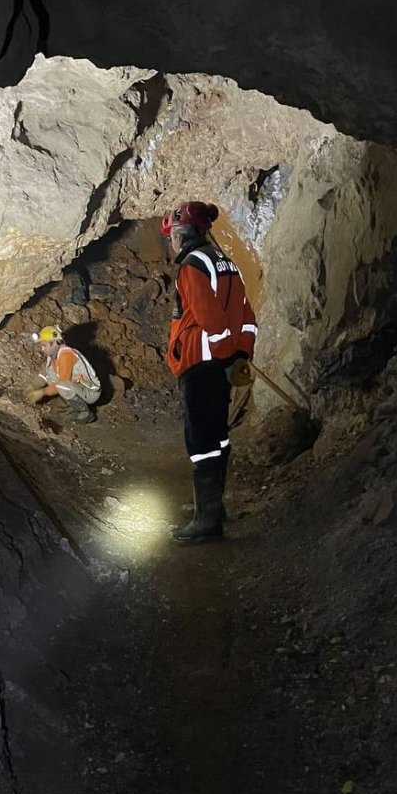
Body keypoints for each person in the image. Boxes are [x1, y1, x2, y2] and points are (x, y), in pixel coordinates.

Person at [161, 201, 257, 543]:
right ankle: (213, 510)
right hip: (222, 364)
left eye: (172, 233)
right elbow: (246, 316)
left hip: (202, 363)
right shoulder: (227, 263)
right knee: (219, 435)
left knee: (201, 441)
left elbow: (210, 318)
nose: (171, 240)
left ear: (180, 232)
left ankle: (207, 523)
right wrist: (240, 355)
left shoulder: (192, 265)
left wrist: (222, 355)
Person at [25, 325, 101, 424]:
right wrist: (32, 387)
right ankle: (72, 405)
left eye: (44, 345)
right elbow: (45, 373)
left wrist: (42, 392)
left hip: (91, 391)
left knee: (62, 386)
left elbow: (63, 383)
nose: (42, 349)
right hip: (77, 386)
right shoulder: (53, 355)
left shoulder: (66, 355)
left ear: (55, 343)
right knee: (56, 409)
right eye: (41, 346)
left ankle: (86, 414)